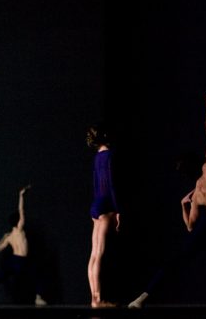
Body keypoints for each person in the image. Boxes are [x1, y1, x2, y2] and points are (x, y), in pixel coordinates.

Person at [128, 81, 206, 309]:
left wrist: (183, 205)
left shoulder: (196, 195)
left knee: (177, 260)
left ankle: (142, 298)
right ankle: (142, 298)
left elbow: (191, 227)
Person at [0, 184, 47, 306]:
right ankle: (37, 298)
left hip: (15, 260)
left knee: (2, 278)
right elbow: (21, 210)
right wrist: (21, 196)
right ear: (18, 222)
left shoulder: (9, 236)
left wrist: (4, 237)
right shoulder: (20, 229)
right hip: (21, 260)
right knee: (36, 276)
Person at [86, 123, 121, 308]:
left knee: (94, 254)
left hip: (96, 204)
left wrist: (95, 206)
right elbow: (113, 185)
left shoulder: (97, 157)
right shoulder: (110, 156)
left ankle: (94, 297)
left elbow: (95, 182)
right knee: (100, 254)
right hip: (107, 204)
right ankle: (98, 299)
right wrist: (118, 211)